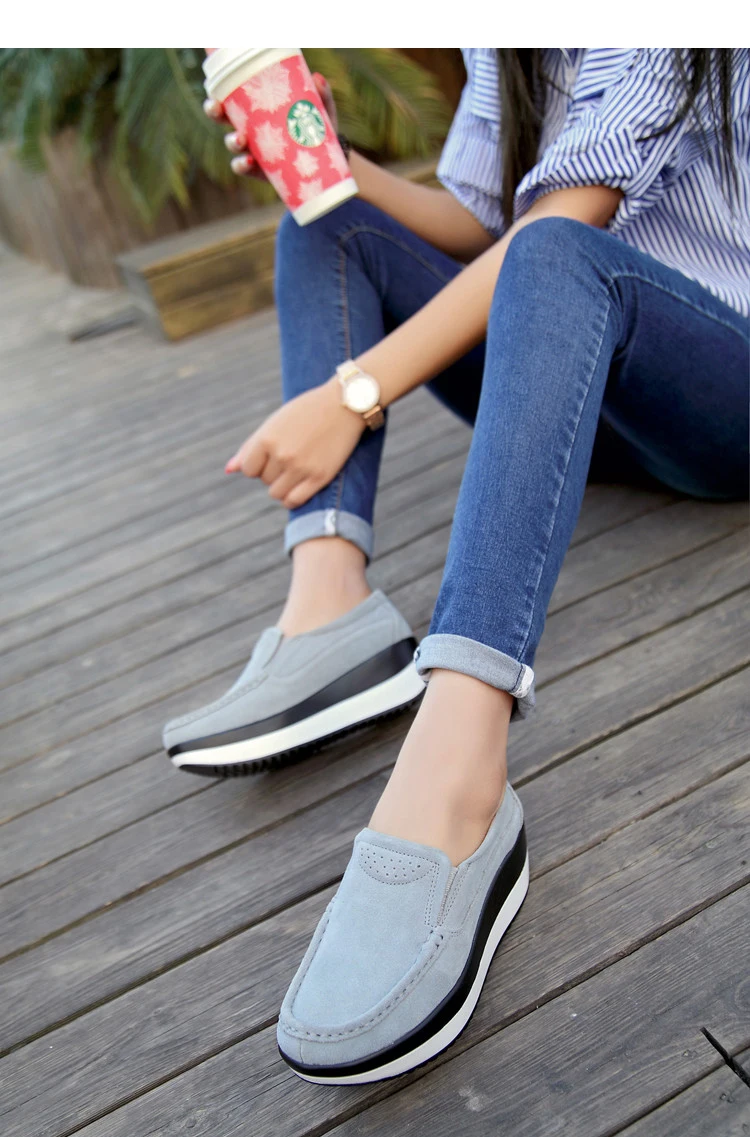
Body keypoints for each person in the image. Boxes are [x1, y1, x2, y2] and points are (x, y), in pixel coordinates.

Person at [163, 49, 750, 1083]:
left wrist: (350, 394)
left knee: (559, 250)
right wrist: (334, 165)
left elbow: (567, 220)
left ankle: (456, 776)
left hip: (716, 396)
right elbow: (479, 227)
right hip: (581, 393)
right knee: (327, 220)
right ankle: (329, 602)